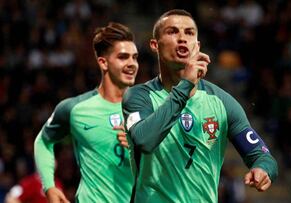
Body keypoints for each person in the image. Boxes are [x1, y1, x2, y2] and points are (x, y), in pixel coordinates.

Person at [121, 9, 278, 202]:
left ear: (197, 45)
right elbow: (145, 141)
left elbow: (262, 156)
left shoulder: (222, 102)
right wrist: (185, 85)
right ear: (155, 45)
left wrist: (263, 169)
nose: (182, 38)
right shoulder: (139, 97)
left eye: (189, 33)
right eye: (172, 32)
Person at [34, 22, 138, 202]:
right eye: (123, 57)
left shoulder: (150, 109)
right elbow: (43, 141)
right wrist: (49, 187)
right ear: (103, 63)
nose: (132, 64)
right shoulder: (75, 109)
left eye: (135, 57)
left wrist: (140, 149)